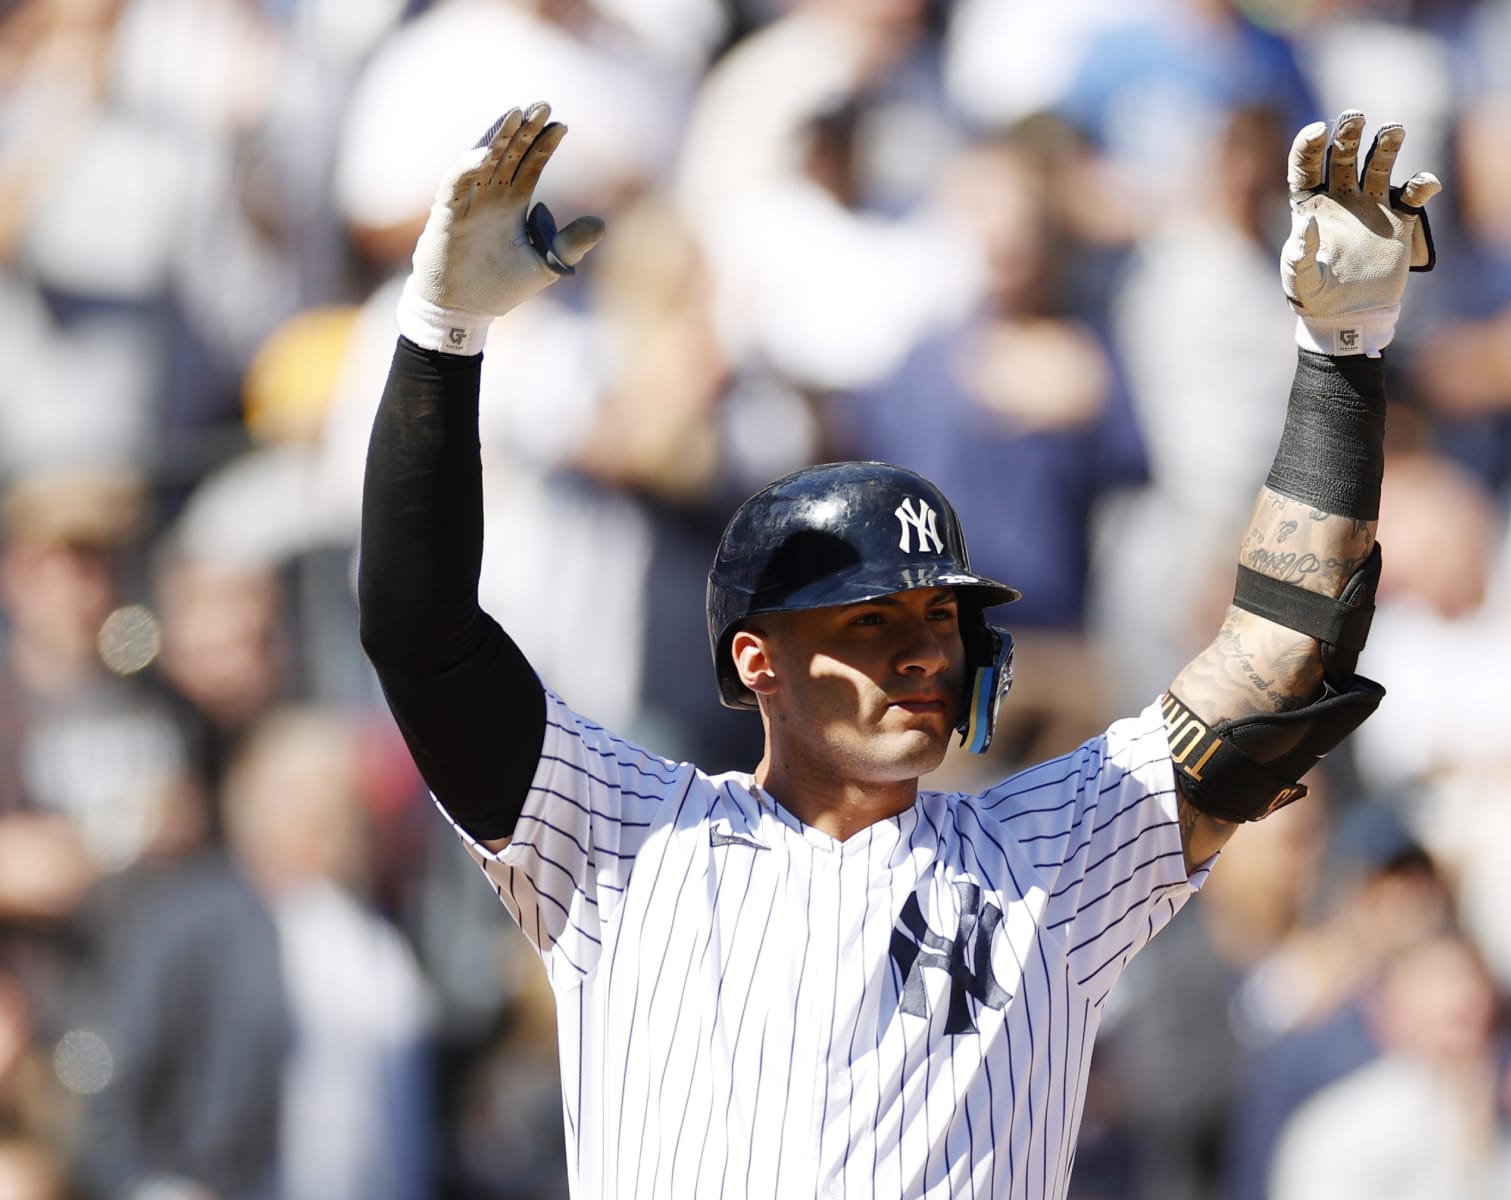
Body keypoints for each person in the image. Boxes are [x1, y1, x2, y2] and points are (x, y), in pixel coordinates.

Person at [358, 101, 1439, 1197]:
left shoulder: (1048, 860)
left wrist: (1341, 355)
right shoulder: (625, 840)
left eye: (937, 620)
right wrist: (443, 331)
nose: (923, 652)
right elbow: (421, 632)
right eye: (869, 622)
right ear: (756, 661)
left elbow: (1279, 668)